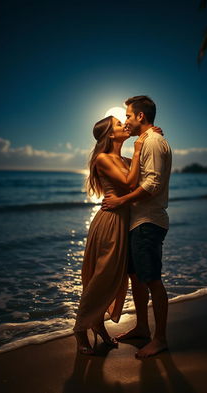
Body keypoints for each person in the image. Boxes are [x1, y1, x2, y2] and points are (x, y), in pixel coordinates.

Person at [102, 95, 172, 359]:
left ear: (140, 116)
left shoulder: (152, 141)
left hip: (148, 221)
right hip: (138, 222)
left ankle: (160, 338)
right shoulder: (146, 141)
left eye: (129, 116)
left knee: (152, 280)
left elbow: (152, 185)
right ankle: (142, 327)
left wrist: (121, 200)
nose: (127, 121)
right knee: (137, 278)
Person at [73, 115, 149, 355]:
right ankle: (80, 329)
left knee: (116, 279)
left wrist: (147, 137)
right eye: (118, 124)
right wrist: (138, 149)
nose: (123, 125)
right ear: (110, 135)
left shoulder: (123, 158)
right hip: (110, 223)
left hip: (125, 222)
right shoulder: (103, 158)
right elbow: (129, 183)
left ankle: (98, 324)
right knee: (102, 278)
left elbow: (143, 180)